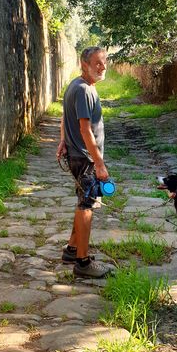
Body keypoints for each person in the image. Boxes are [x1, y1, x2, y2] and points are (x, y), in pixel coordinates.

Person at [56, 46, 115, 278]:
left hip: (78, 155)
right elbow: (84, 129)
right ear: (84, 64)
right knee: (86, 206)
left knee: (83, 201)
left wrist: (63, 140)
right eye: (97, 63)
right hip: (85, 158)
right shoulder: (83, 90)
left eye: (104, 62)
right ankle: (82, 262)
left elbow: (64, 117)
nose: (102, 66)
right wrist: (98, 163)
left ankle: (72, 249)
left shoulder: (78, 85)